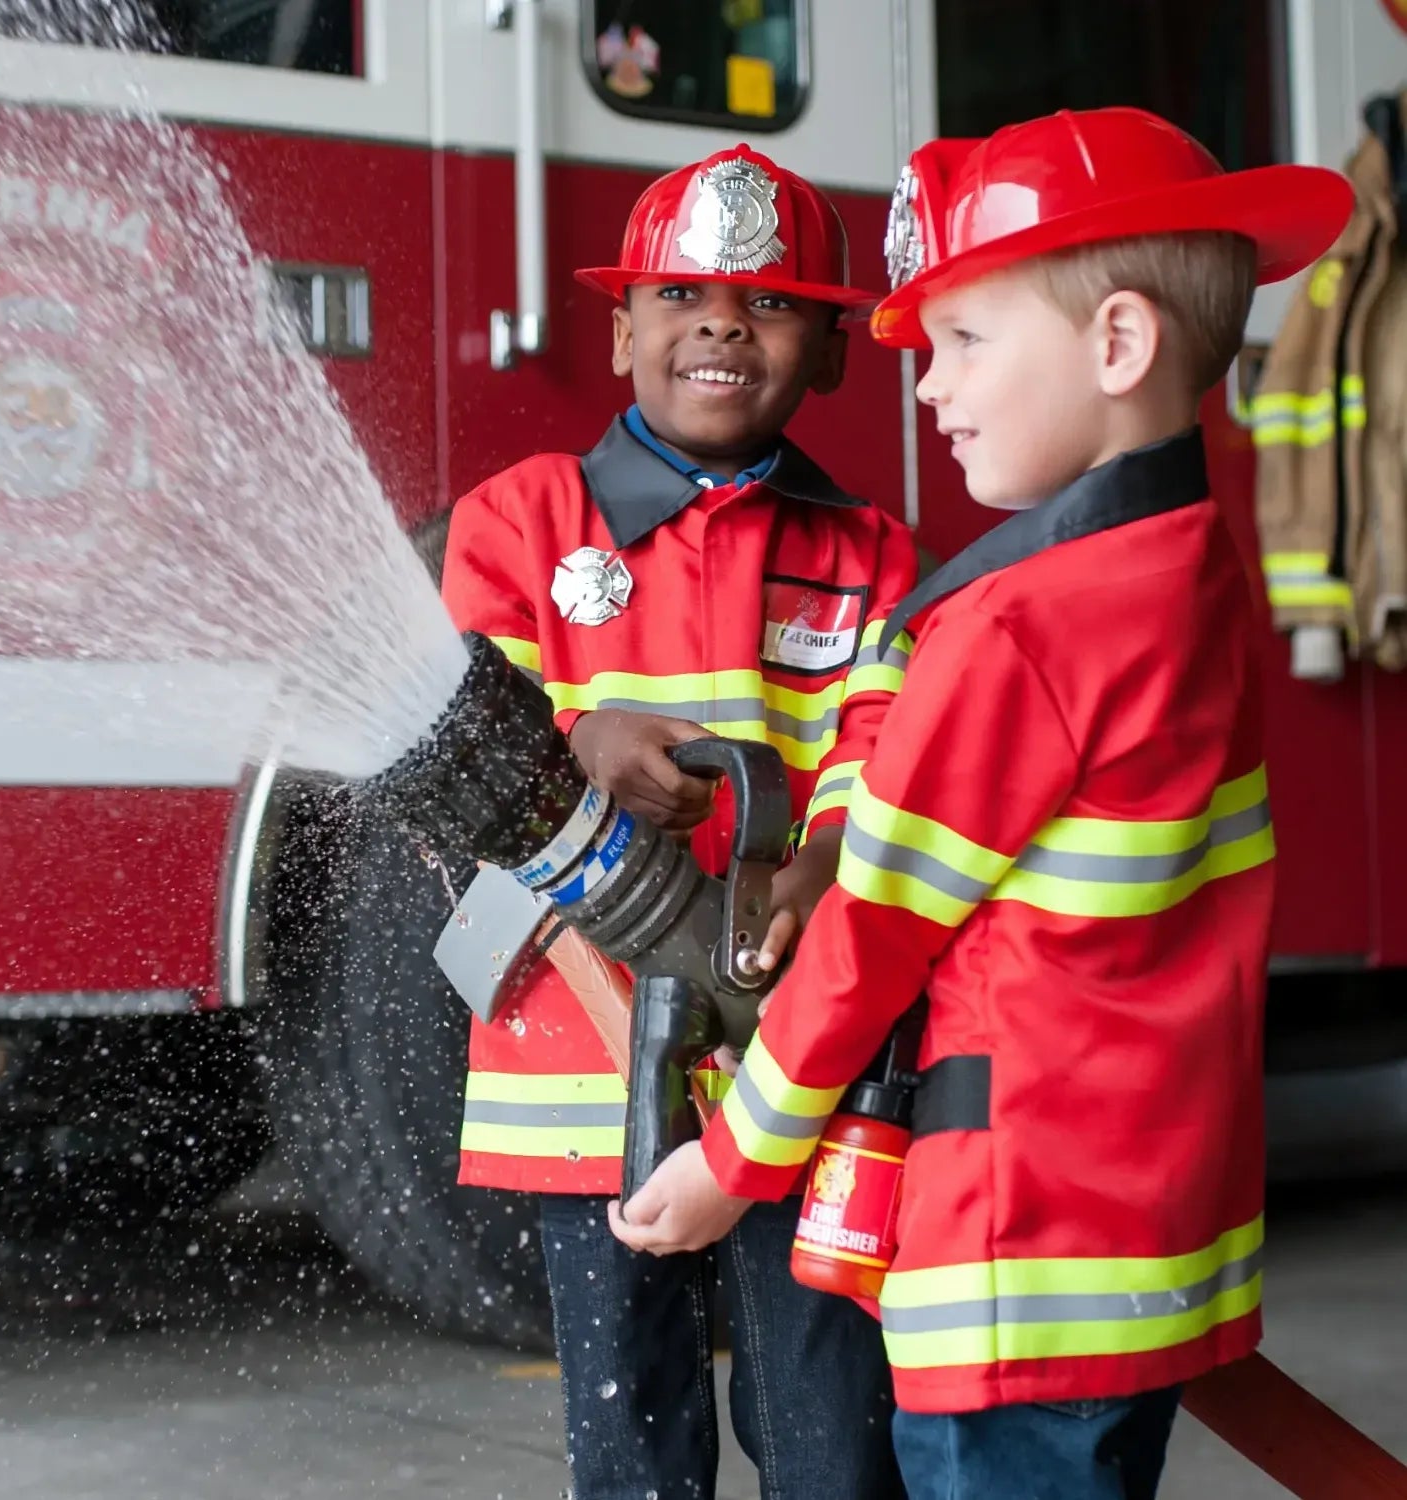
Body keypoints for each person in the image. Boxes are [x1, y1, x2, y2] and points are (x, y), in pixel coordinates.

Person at [609, 108, 1354, 1500]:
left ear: (1117, 345)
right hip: (1147, 1236)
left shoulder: (1025, 625)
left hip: (1011, 1257)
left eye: (963, 342)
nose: (928, 390)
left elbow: (873, 931)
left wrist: (733, 1161)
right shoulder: (1187, 578)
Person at [439, 144, 917, 1500]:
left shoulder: (875, 553)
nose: (720, 322)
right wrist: (574, 739)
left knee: (826, 1426)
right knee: (630, 1430)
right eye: (683, 295)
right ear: (620, 330)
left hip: (801, 1067)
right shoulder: (520, 525)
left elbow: (887, 748)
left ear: (830, 350)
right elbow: (447, 766)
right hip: (578, 1061)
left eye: (769, 305)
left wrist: (821, 861)